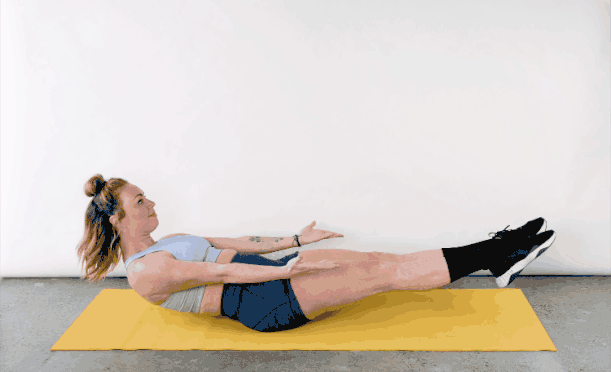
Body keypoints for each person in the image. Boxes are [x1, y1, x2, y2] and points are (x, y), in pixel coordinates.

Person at [77, 174, 556, 332]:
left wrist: (295, 242)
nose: (151, 203)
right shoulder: (146, 272)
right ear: (117, 220)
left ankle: (499, 251)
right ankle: (499, 250)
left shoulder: (169, 240)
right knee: (385, 275)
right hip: (264, 302)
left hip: (274, 276)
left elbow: (236, 244)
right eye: (140, 202)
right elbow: (225, 275)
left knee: (384, 261)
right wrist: (287, 270)